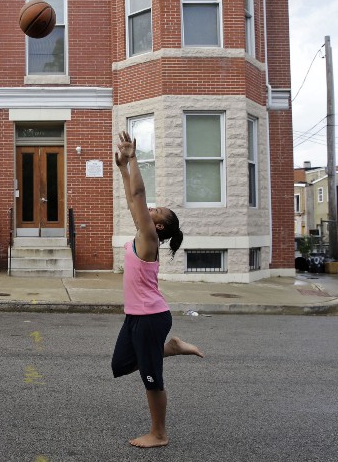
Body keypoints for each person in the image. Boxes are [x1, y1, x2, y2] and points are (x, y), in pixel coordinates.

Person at [110, 131, 204, 448]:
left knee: (151, 378)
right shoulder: (144, 233)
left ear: (159, 227)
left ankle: (159, 434)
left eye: (157, 211)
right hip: (137, 316)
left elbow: (138, 195)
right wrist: (122, 168)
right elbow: (132, 198)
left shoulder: (148, 238)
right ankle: (171, 347)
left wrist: (133, 158)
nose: (151, 209)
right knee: (120, 365)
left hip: (151, 318)